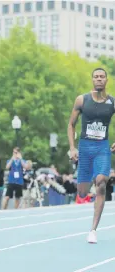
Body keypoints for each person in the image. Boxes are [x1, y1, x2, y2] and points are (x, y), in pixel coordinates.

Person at [67, 68, 115, 244]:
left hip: (102, 147)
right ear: (92, 80)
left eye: (102, 77)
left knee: (101, 181)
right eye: (96, 77)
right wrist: (72, 148)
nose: (99, 79)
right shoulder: (82, 100)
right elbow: (71, 125)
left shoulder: (112, 102)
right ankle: (92, 184)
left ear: (106, 80)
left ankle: (93, 230)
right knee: (82, 192)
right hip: (85, 148)